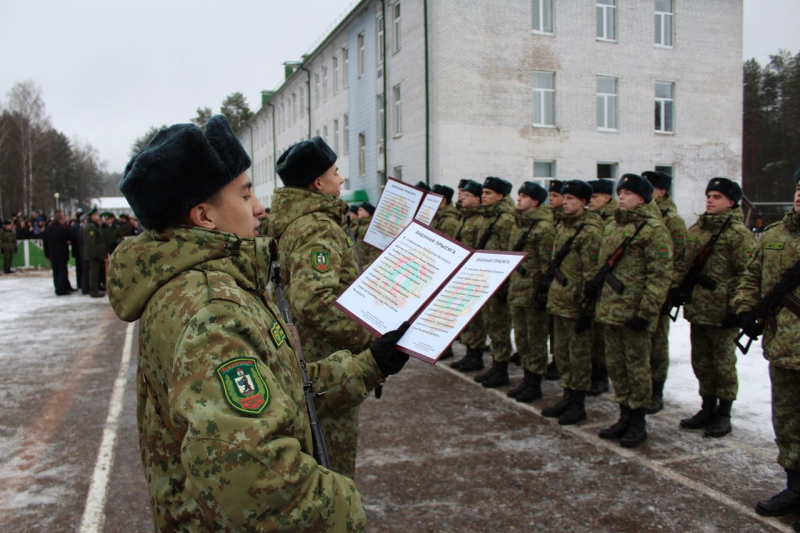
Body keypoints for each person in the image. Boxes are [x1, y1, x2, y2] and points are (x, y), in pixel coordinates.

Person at [109, 115, 410, 531]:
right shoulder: (211, 310)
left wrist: (370, 364)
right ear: (204, 216)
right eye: (246, 193)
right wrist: (345, 510)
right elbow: (254, 477)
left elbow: (279, 389)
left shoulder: (206, 285)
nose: (259, 208)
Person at [269, 137, 374, 478]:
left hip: (308, 358)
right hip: (328, 363)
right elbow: (313, 300)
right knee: (333, 466)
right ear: (318, 182)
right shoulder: (317, 226)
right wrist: (366, 336)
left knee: (314, 460)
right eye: (335, 172)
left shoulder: (298, 221)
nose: (341, 179)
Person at [736, 167, 800, 518]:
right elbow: (751, 277)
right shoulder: (775, 235)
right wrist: (747, 309)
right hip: (782, 349)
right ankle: (795, 489)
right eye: (799, 186)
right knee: (787, 423)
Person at [591, 174, 672, 447]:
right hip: (610, 310)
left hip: (634, 313)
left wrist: (646, 313)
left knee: (637, 368)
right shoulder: (612, 226)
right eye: (620, 192)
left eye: (628, 193)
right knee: (617, 367)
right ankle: (624, 415)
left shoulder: (654, 229)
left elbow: (659, 276)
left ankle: (638, 421)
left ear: (642, 198)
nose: (621, 197)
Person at [679, 178, 753, 438]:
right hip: (698, 310)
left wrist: (736, 309)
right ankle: (707, 407)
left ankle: (724, 413)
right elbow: (685, 265)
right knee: (701, 362)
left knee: (723, 365)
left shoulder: (738, 235)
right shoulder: (697, 229)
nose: (710, 200)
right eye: (709, 195)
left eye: (717, 196)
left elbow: (747, 274)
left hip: (723, 314)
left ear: (731, 202)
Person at [541, 181, 603, 424]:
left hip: (576, 305)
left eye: (571, 199)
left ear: (583, 202)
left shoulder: (590, 232)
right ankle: (567, 395)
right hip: (559, 301)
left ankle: (578, 403)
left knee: (578, 356)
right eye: (564, 198)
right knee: (562, 353)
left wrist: (586, 308)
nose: (565, 202)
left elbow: (591, 273)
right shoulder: (563, 226)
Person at [643, 170, 688, 414]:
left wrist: (668, 292)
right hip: (641, 292)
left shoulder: (671, 220)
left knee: (657, 343)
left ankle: (656, 391)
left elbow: (679, 260)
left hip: (660, 292)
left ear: (661, 192)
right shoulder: (642, 216)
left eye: (649, 187)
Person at [507, 181, 555, 402]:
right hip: (517, 289)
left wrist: (543, 293)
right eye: (519, 195)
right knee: (522, 338)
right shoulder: (519, 224)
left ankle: (535, 383)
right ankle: (527, 379)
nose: (519, 199)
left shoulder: (544, 227)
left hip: (533, 292)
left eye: (524, 196)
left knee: (535, 339)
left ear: (535, 202)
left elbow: (547, 264)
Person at [473, 177, 516, 388]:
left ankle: (502, 369)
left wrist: (505, 284)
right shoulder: (489, 216)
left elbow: (509, 250)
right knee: (491, 324)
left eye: (488, 193)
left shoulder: (506, 219)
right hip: (486, 278)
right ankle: (496, 365)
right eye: (483, 192)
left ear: (500, 196)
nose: (484, 196)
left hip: (499, 281)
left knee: (500, 327)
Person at [450, 180, 487, 372]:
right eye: (462, 194)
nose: (462, 198)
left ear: (477, 199)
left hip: (475, 275)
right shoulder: (466, 217)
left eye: (467, 195)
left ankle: (476, 356)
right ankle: (470, 354)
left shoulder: (479, 220)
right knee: (467, 318)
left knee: (476, 319)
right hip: (463, 273)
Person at [586, 178, 617, 396]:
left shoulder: (614, 220)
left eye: (595, 197)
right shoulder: (591, 218)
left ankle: (601, 376)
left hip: (608, 285)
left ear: (607, 198)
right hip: (592, 282)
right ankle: (593, 372)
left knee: (602, 336)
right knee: (592, 333)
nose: (590, 201)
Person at [43, 211, 73, 295]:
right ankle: (62, 289)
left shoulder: (48, 229)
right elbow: (70, 238)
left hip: (52, 254)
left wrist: (47, 254)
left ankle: (57, 287)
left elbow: (45, 243)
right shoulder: (63, 229)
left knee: (55, 272)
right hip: (62, 254)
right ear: (60, 220)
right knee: (62, 272)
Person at [81, 207, 107, 297]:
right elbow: (91, 243)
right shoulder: (90, 227)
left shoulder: (94, 225)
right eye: (96, 214)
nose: (98, 216)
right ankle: (93, 291)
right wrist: (95, 254)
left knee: (95, 272)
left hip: (96, 254)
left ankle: (96, 289)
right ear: (92, 215)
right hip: (94, 254)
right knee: (93, 273)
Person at [71, 210, 84, 290]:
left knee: (79, 268)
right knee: (81, 268)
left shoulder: (75, 225)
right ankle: (81, 284)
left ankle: (79, 284)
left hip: (77, 250)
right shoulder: (79, 226)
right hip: (80, 250)